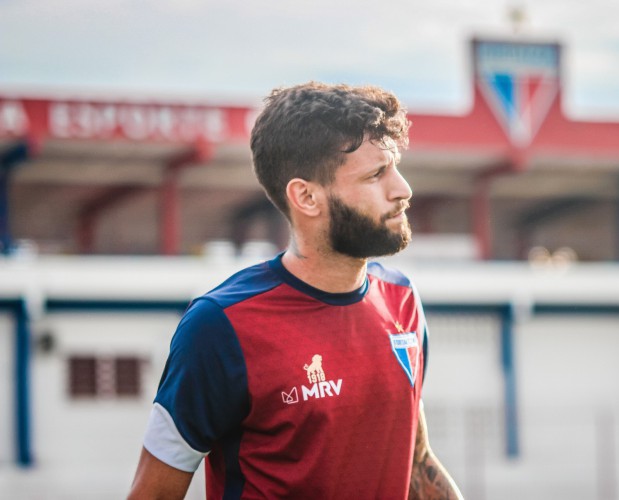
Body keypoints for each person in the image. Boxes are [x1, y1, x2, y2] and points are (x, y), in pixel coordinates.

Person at [128, 82, 463, 499]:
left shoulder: (402, 299)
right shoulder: (220, 327)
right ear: (306, 196)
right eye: (376, 174)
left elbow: (417, 461)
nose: (403, 189)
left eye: (394, 167)